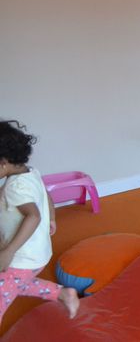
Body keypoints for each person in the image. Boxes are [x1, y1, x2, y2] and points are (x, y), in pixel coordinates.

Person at [0, 120, 79, 323]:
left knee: (7, 286)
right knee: (16, 284)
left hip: (20, 258)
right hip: (36, 254)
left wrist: (8, 252)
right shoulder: (30, 172)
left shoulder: (15, 188)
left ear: (3, 162)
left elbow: (33, 216)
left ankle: (62, 294)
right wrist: (52, 217)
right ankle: (63, 294)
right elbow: (45, 195)